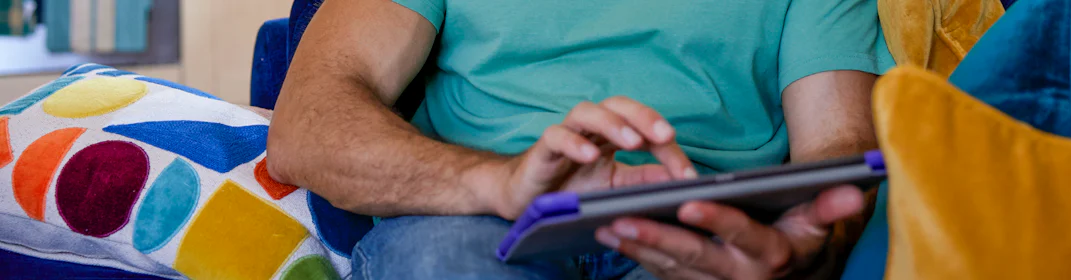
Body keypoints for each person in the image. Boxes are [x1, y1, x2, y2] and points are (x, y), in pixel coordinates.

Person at [266, 0, 893, 278]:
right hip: (475, 221)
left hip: (701, 229)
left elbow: (836, 145)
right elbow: (305, 124)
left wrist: (813, 244)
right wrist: (500, 183)